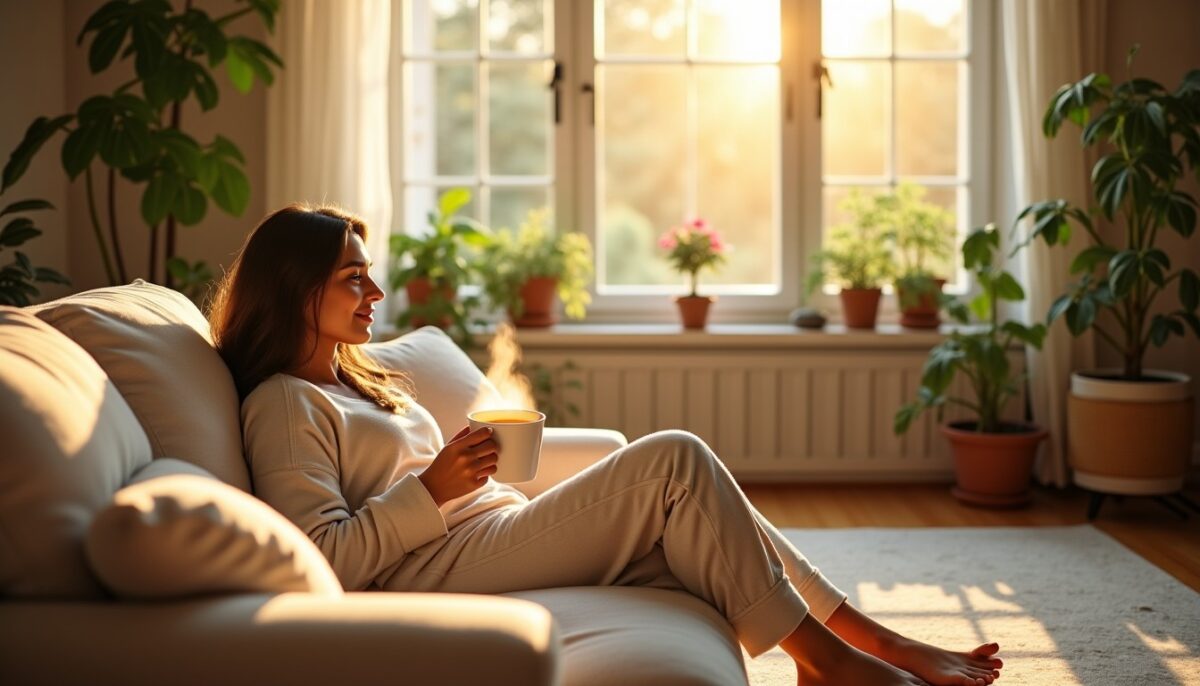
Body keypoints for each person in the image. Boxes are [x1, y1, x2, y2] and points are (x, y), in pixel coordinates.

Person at [210, 204, 1005, 686]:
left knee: (710, 520)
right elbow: (325, 562)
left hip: (486, 529)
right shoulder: (285, 405)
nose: (375, 294)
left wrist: (464, 471)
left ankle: (862, 641)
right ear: (295, 289)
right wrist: (433, 490)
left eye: (368, 274)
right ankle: (835, 662)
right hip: (432, 569)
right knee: (676, 460)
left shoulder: (360, 378)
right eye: (354, 278)